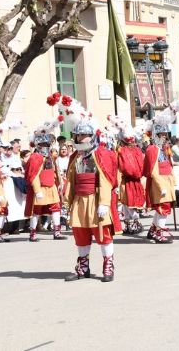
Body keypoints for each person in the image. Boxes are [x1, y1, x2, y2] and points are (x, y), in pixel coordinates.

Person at [59, 95, 122, 282]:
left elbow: (105, 180)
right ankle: (83, 266)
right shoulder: (75, 157)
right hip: (80, 200)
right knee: (81, 234)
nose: (79, 138)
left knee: (103, 234)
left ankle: (108, 264)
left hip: (96, 200)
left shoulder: (100, 154)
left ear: (92, 136)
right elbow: (70, 180)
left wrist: (104, 203)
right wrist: (66, 202)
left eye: (83, 135)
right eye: (77, 135)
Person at [143, 98, 179, 244]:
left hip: (166, 182)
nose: (164, 137)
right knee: (163, 208)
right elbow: (153, 170)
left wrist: (172, 181)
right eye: (161, 135)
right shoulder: (152, 149)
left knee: (164, 207)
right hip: (159, 184)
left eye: (164, 135)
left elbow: (167, 164)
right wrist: (161, 186)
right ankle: (158, 233)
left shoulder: (162, 149)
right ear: (155, 135)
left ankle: (153, 229)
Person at [25, 114, 67, 242]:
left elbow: (54, 171)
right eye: (43, 143)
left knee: (56, 208)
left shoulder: (50, 156)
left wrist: (58, 184)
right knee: (36, 211)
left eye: (47, 143)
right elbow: (32, 175)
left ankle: (57, 232)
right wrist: (37, 191)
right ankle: (32, 233)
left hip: (51, 187)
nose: (45, 145)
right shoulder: (35, 157)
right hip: (40, 188)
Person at [111, 117, 145, 236]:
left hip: (126, 180)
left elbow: (121, 166)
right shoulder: (137, 150)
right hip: (136, 180)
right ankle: (132, 224)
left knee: (127, 203)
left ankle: (132, 224)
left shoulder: (121, 151)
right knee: (130, 203)